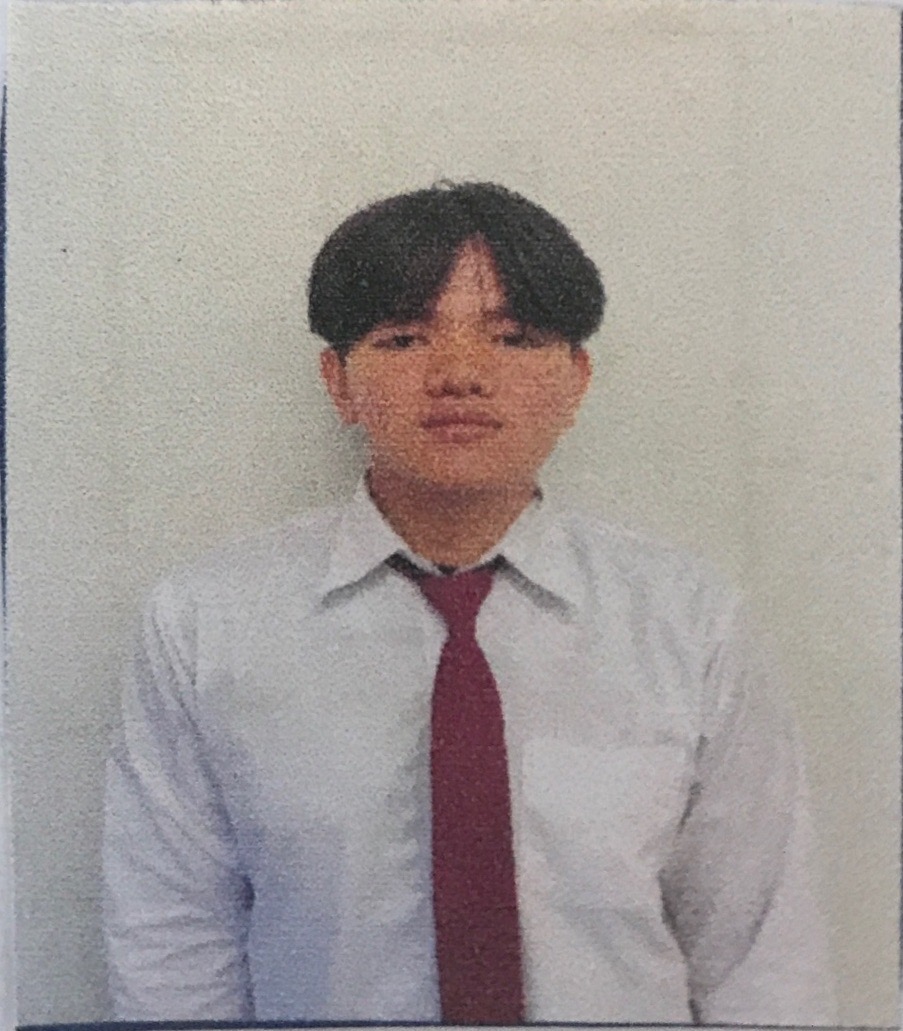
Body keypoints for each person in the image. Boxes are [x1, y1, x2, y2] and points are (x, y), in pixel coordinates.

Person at [103, 181, 835, 1024]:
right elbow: (171, 942)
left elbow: (760, 957)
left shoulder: (689, 621)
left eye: (513, 338)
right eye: (404, 337)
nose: (459, 374)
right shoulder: (207, 623)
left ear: (575, 380)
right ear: (337, 381)